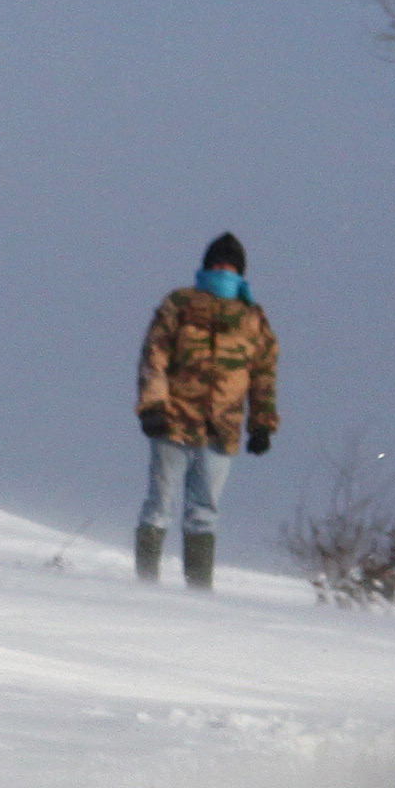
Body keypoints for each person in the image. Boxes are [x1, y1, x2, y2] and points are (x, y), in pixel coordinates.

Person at [135, 232, 279, 591]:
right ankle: (144, 586)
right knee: (159, 506)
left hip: (221, 430)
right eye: (217, 265)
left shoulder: (253, 319)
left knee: (204, 514)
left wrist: (262, 424)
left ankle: (198, 593)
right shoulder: (179, 304)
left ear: (241, 272)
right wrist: (153, 405)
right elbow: (154, 354)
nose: (222, 272)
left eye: (229, 267)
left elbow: (264, 374)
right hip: (173, 422)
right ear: (205, 266)